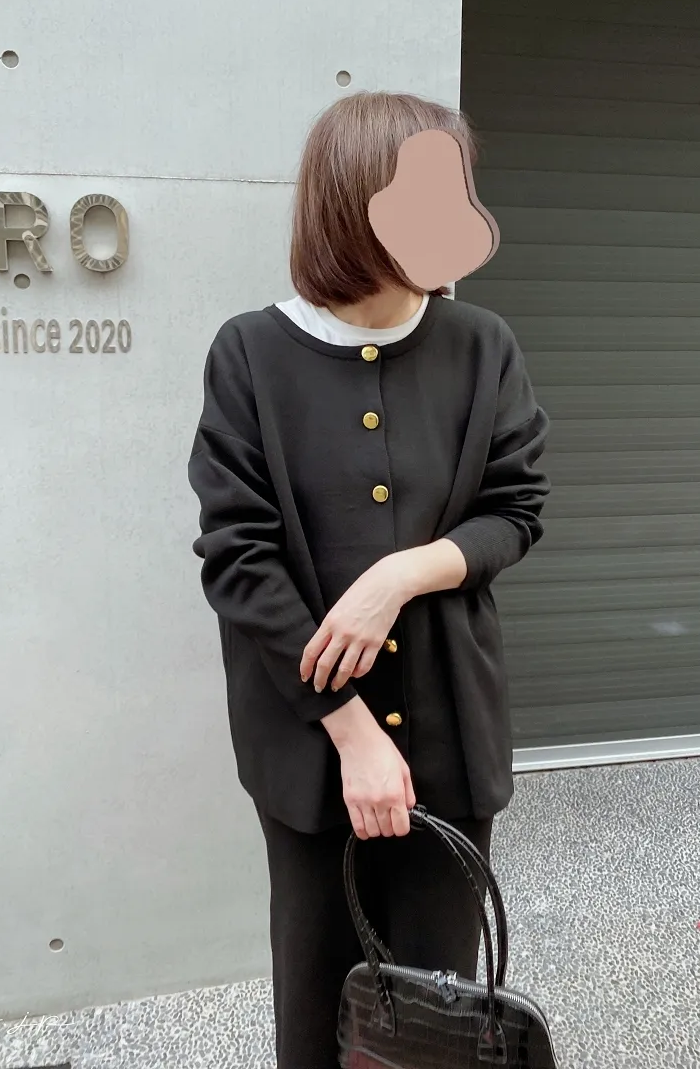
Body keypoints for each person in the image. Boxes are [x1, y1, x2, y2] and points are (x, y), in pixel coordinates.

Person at [187, 90, 550, 1069]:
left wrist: (400, 574)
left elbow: (517, 510)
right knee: (319, 1003)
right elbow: (238, 556)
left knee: (435, 1015)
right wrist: (350, 732)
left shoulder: (482, 346)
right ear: (354, 204)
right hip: (308, 749)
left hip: (451, 733)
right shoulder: (250, 353)